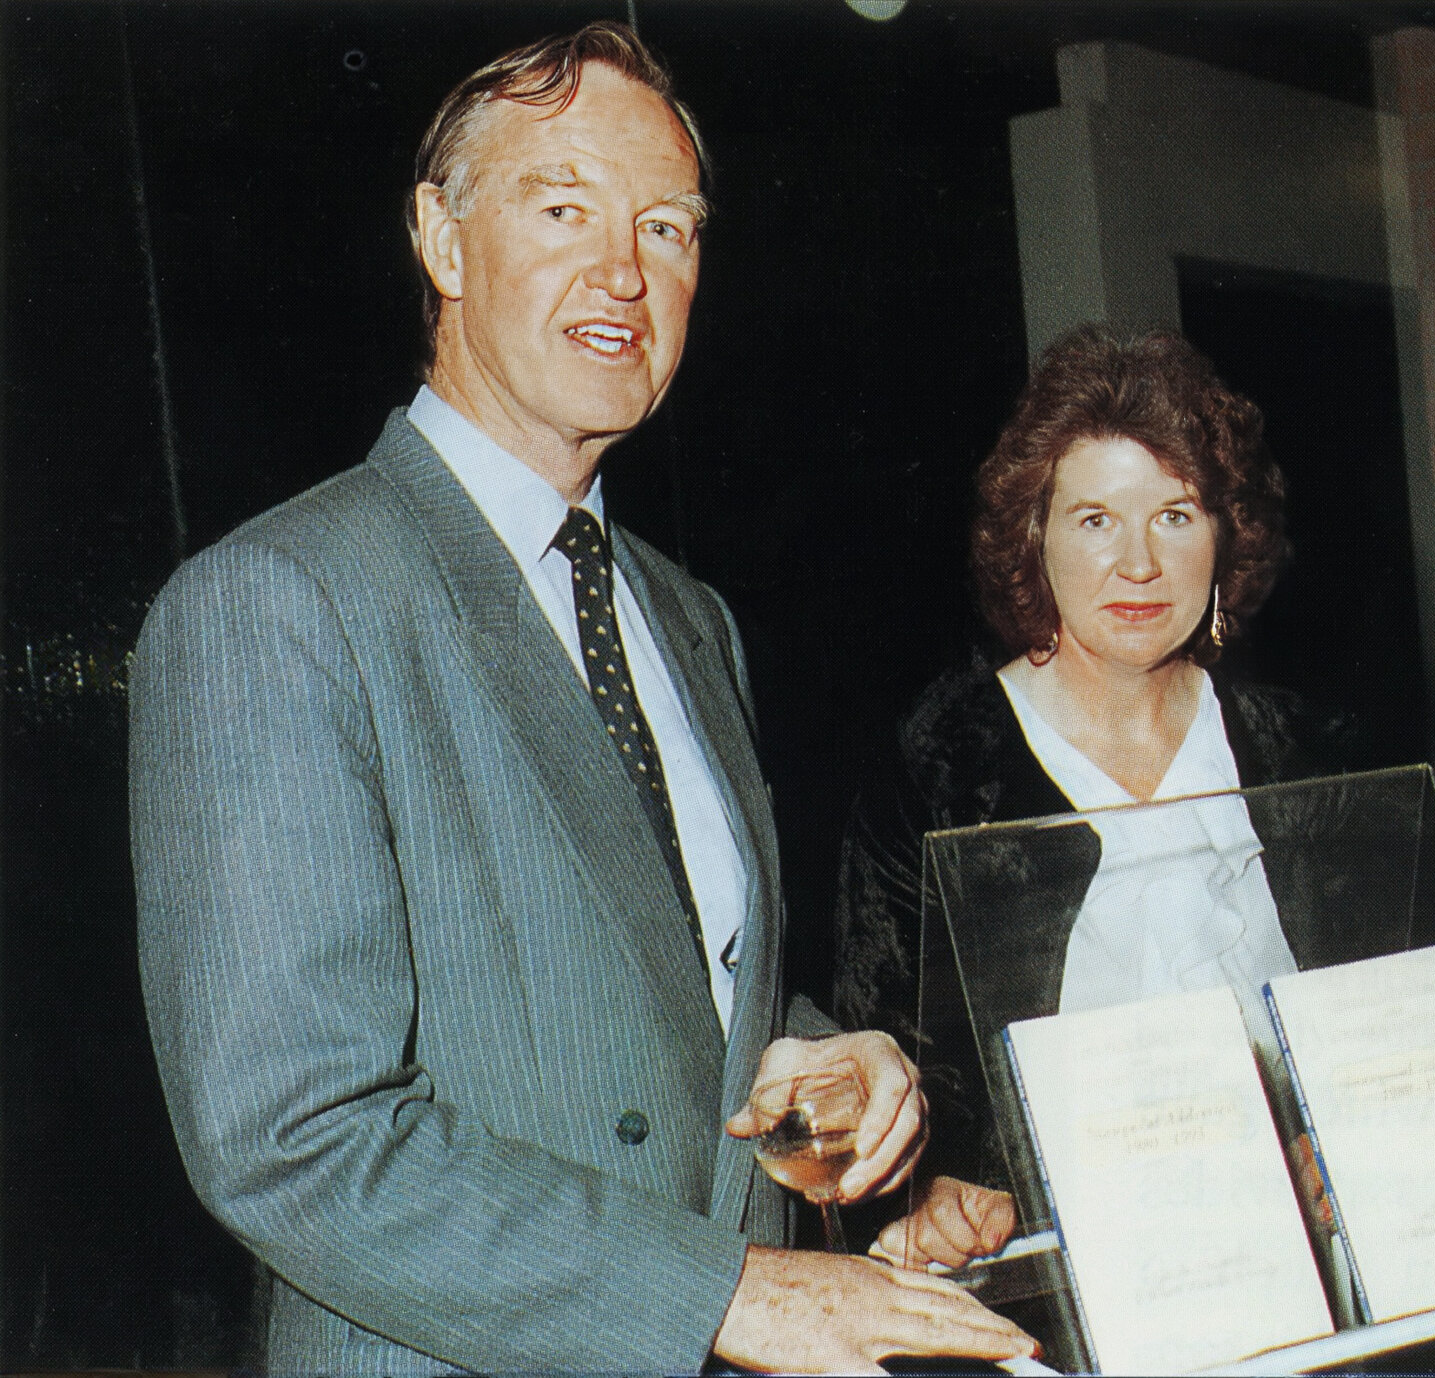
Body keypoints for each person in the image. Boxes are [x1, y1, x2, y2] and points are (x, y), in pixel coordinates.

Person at [129, 24, 1032, 1375]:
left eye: (667, 227)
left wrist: (805, 1062)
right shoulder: (276, 602)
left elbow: (641, 995)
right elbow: (291, 1134)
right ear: (440, 239)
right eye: (563, 209)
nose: (624, 271)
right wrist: (728, 1295)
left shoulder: (685, 614)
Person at [835, 326, 1353, 1267]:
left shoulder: (1304, 750)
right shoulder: (942, 762)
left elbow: (1370, 1026)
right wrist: (940, 1191)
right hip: (1065, 1280)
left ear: (1226, 533)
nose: (1139, 563)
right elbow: (892, 1053)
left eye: (1175, 514)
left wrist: (1344, 1142)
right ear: (1034, 537)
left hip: (1287, 1263)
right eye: (1095, 519)